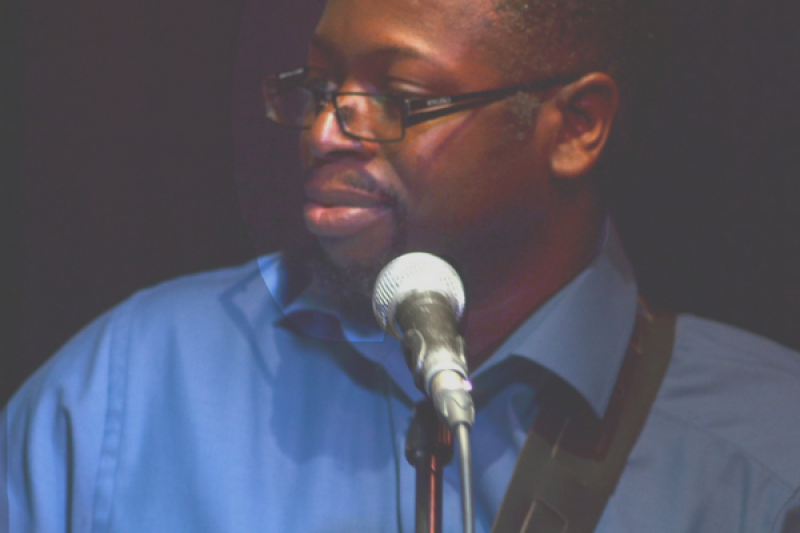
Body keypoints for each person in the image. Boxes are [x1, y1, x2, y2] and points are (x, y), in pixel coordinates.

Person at [3, 0, 800, 531]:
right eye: (321, 85)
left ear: (576, 127)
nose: (323, 133)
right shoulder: (129, 383)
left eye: (402, 97)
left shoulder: (767, 453)